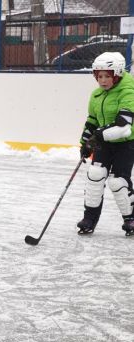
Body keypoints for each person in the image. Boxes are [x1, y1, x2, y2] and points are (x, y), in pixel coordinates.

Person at [77, 51, 134, 236]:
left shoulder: (128, 90)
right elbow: (92, 121)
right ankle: (89, 219)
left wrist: (97, 136)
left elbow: (123, 126)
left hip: (126, 144)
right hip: (104, 144)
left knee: (118, 183)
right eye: (99, 76)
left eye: (106, 76)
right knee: (95, 175)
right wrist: (85, 142)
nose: (102, 81)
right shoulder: (96, 95)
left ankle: (130, 219)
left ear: (116, 75)